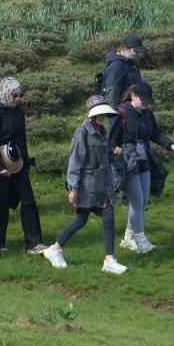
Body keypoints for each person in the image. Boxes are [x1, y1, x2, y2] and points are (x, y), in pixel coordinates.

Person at [43, 99, 127, 275]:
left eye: (104, 115)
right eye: (99, 115)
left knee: (104, 217)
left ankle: (108, 259)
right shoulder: (82, 132)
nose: (102, 117)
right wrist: (73, 188)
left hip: (102, 184)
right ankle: (56, 249)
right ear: (92, 115)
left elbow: (102, 157)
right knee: (84, 219)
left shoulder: (102, 131)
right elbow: (75, 161)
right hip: (87, 185)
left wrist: (112, 153)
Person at [108, 83, 174, 254]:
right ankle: (140, 239)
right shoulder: (121, 112)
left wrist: (170, 145)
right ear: (133, 95)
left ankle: (128, 237)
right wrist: (115, 150)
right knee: (137, 200)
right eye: (143, 100)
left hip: (144, 158)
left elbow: (155, 133)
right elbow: (111, 140)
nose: (146, 104)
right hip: (128, 161)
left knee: (143, 199)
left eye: (148, 101)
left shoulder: (147, 113)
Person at [0, 76, 46, 255]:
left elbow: (22, 138)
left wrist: (26, 161)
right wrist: (0, 167)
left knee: (28, 200)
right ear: (6, 94)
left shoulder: (19, 112)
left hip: (18, 161)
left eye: (21, 95)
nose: (19, 99)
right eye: (15, 95)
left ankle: (34, 243)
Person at [100, 35, 144, 114]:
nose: (137, 54)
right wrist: (114, 115)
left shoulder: (132, 64)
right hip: (121, 112)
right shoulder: (117, 66)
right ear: (124, 48)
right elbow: (111, 94)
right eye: (135, 51)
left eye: (139, 51)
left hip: (133, 110)